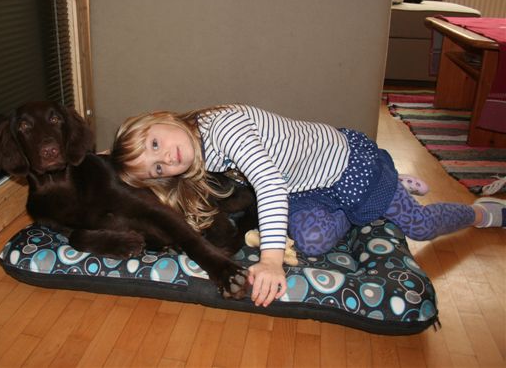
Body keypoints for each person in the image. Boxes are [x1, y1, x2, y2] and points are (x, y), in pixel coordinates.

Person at [111, 104, 505, 307]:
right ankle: (370, 204)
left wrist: (270, 260)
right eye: (158, 167)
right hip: (303, 186)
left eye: (155, 144)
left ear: (161, 118)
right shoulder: (196, 154)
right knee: (313, 242)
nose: (167, 158)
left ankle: (481, 212)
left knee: (419, 225)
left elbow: (268, 184)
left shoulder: (224, 127)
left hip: (348, 165)